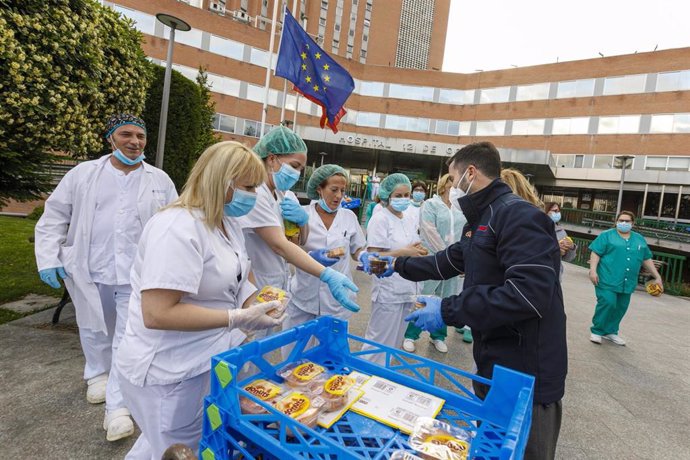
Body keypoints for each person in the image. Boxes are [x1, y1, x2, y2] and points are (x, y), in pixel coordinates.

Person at [388, 142, 567, 460]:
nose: (452, 186)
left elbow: (528, 294)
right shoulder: (481, 223)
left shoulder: (517, 216)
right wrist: (393, 264)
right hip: (493, 365)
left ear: (470, 172)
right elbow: (444, 262)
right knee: (490, 450)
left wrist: (447, 310)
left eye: (452, 176)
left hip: (527, 378)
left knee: (522, 453)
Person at [116, 141, 285, 459]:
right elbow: (157, 313)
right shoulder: (176, 228)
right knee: (176, 449)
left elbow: (239, 279)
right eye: (249, 186)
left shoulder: (227, 223)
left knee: (169, 444)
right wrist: (237, 318)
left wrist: (260, 301)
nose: (254, 195)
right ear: (223, 181)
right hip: (169, 370)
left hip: (207, 359)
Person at [34, 113, 177, 442]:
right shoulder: (84, 174)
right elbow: (56, 214)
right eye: (126, 134)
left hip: (136, 274)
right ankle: (96, 373)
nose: (134, 142)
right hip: (90, 266)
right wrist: (48, 258)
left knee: (128, 338)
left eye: (140, 136)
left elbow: (173, 222)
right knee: (93, 325)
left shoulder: (160, 179)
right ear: (110, 138)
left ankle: (118, 408)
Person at [234, 126, 359, 318]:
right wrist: (326, 273)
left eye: (301, 169)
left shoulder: (284, 195)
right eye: (293, 166)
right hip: (257, 284)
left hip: (276, 286)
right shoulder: (257, 194)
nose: (297, 174)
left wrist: (303, 222)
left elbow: (297, 241)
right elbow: (280, 245)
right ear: (272, 158)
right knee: (254, 340)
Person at [284, 164, 366, 329]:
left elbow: (357, 249)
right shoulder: (302, 214)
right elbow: (288, 248)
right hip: (304, 292)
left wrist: (364, 256)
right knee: (297, 349)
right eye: (334, 189)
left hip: (336, 298)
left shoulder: (349, 217)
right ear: (319, 189)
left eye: (342, 191)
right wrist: (311, 257)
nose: (339, 196)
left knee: (330, 351)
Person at [359, 173, 427, 364]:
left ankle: (382, 380)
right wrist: (405, 252)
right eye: (398, 195)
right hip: (388, 290)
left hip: (408, 288)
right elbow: (373, 259)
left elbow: (414, 245)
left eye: (407, 194)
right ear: (387, 195)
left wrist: (419, 250)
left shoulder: (408, 218)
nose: (404, 199)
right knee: (378, 342)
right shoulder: (380, 219)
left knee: (394, 344)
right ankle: (364, 377)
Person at [403, 174, 468, 353]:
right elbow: (429, 230)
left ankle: (438, 336)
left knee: (446, 299)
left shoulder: (460, 208)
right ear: (445, 184)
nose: (457, 186)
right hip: (433, 259)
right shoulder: (431, 204)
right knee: (425, 296)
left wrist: (461, 259)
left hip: (454, 262)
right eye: (453, 182)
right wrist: (447, 256)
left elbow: (466, 233)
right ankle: (410, 335)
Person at [588, 210, 663, 345]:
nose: (623, 223)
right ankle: (597, 330)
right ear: (616, 221)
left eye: (627, 221)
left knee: (621, 307)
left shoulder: (639, 239)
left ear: (632, 223)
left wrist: (657, 276)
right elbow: (596, 253)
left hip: (627, 281)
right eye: (620, 220)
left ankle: (611, 331)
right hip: (606, 278)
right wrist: (593, 270)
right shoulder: (606, 236)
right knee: (608, 302)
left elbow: (646, 258)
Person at [545, 202, 577, 275]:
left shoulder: (562, 231)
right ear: (546, 212)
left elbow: (568, 258)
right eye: (555, 211)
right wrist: (556, 248)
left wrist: (571, 248)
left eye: (559, 211)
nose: (558, 213)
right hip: (539, 272)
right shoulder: (538, 228)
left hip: (555, 275)